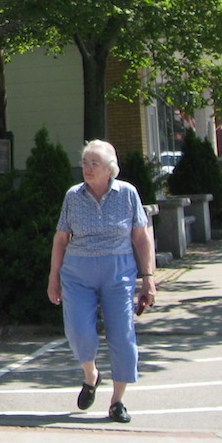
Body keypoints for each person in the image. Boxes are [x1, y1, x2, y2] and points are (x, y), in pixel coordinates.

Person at [47, 139, 156, 424]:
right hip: (77, 272)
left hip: (118, 271)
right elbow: (61, 239)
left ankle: (117, 401)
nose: (87, 168)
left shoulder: (127, 194)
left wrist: (148, 278)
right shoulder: (73, 196)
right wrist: (53, 277)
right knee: (79, 332)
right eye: (85, 162)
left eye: (94, 163)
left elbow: (142, 237)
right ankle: (91, 375)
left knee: (122, 336)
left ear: (111, 169)